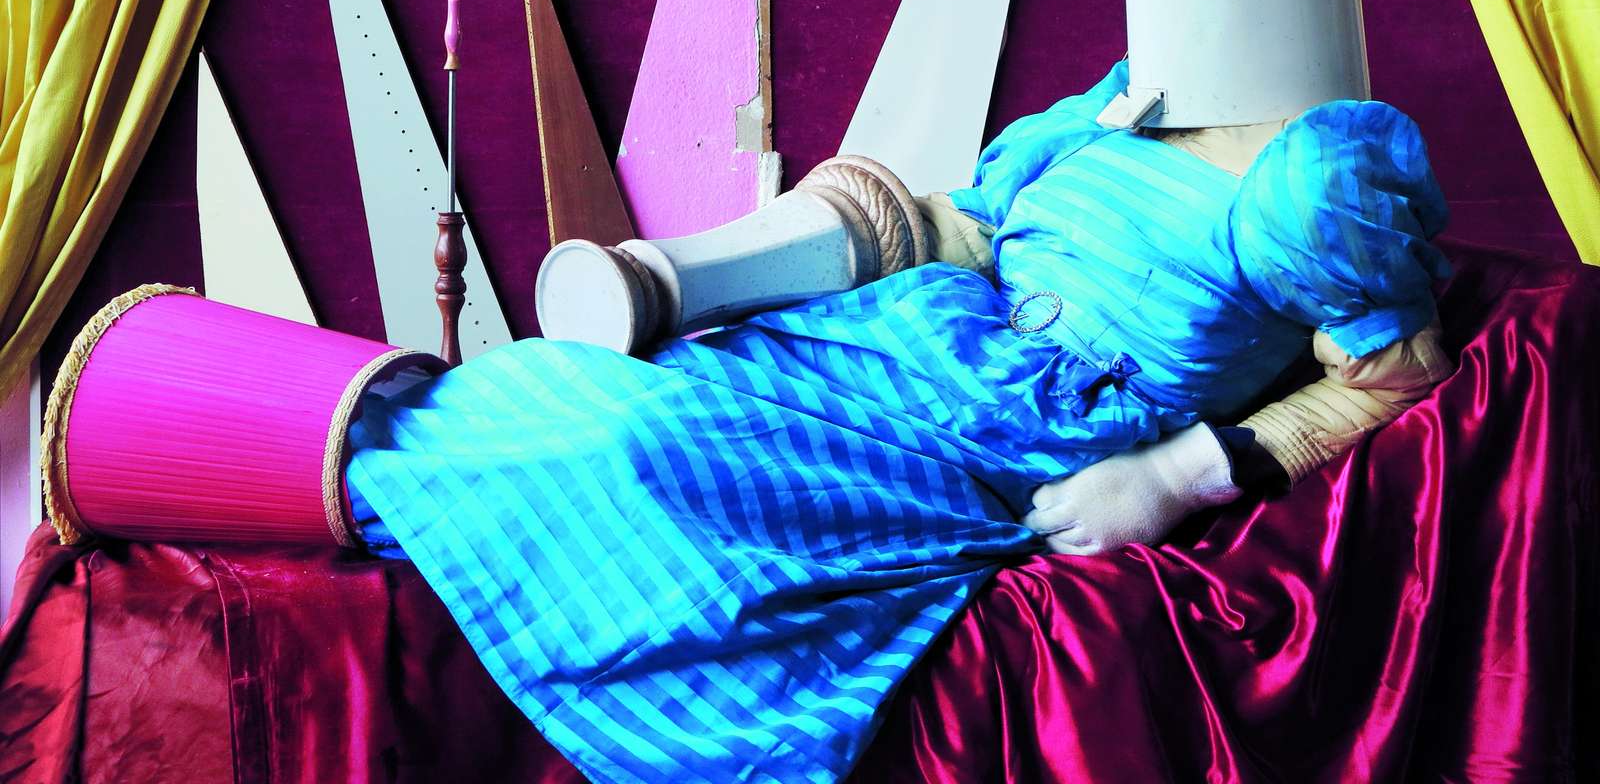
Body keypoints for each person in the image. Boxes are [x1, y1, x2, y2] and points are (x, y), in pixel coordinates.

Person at [344, 55, 1452, 784]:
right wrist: (707, 274)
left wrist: (1179, 475)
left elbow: (1395, 375)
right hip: (892, 327)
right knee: (593, 381)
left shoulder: (1316, 175)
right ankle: (363, 458)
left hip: (1007, 427)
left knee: (648, 447)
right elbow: (970, 229)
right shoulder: (1133, 87)